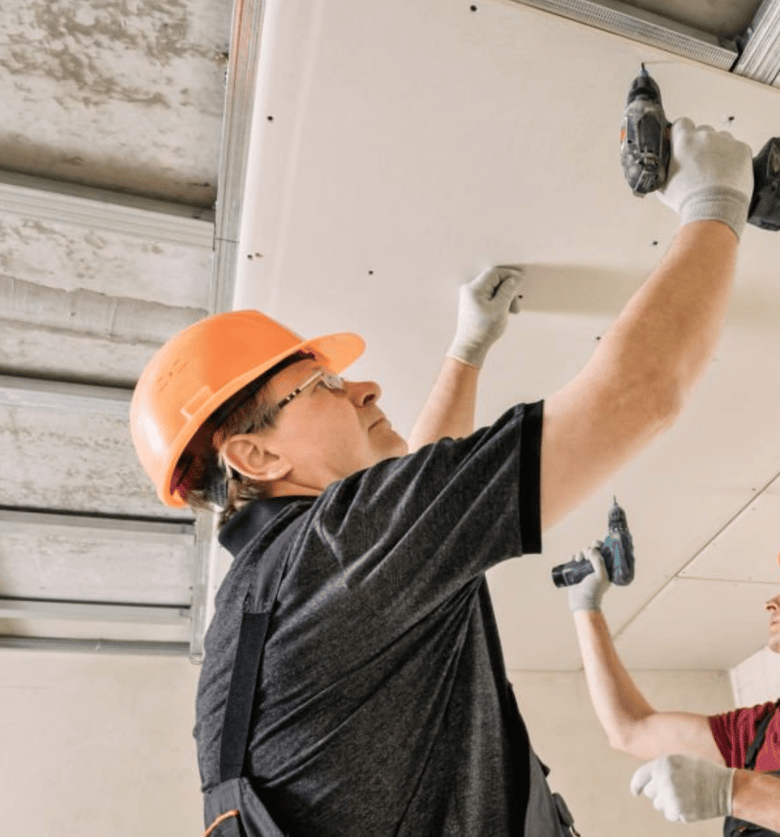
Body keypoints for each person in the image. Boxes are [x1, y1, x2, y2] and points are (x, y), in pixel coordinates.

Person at [130, 118, 754, 837]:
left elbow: (418, 521)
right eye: (325, 383)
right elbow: (638, 395)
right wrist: (716, 200)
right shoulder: (335, 552)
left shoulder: (262, 612)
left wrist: (468, 349)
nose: (362, 386)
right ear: (256, 457)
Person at [566, 542, 780, 833]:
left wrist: (735, 791)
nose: (771, 602)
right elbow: (631, 730)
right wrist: (586, 608)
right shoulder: (761, 729)